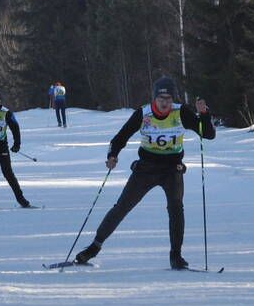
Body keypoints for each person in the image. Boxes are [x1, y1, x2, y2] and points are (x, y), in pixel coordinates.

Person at [74, 75, 213, 269]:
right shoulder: (144, 113)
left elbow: (208, 134)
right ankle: (94, 248)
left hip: (172, 169)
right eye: (161, 98)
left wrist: (203, 114)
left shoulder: (181, 112)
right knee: (122, 207)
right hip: (146, 169)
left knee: (176, 210)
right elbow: (120, 137)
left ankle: (176, 256)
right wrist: (112, 155)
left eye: (168, 98)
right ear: (154, 98)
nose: (165, 103)